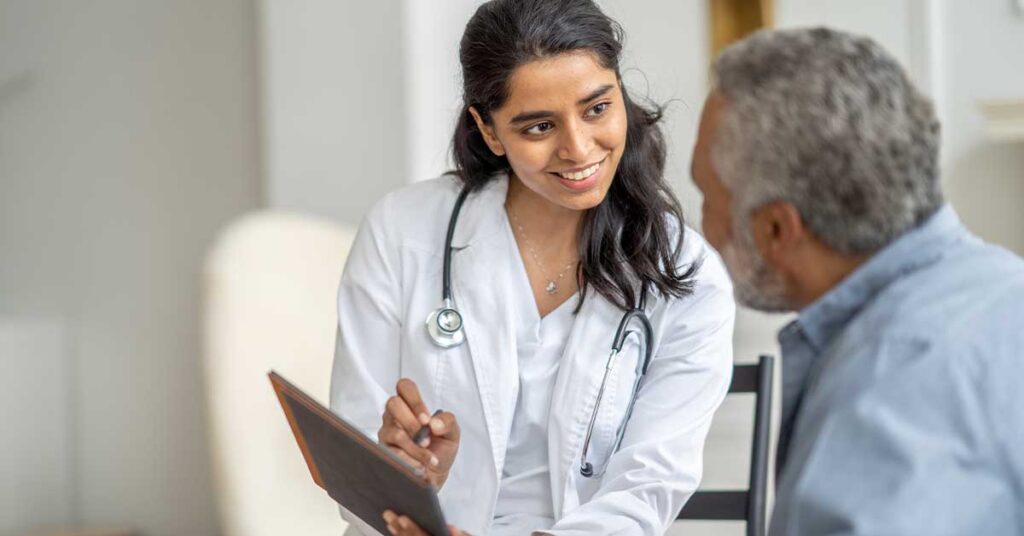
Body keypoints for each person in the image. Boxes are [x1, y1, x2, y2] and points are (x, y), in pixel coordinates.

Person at [330, 0, 736, 534]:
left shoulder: (687, 274)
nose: (578, 148)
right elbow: (355, 464)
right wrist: (411, 474)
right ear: (490, 130)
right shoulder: (402, 231)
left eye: (596, 109)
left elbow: (647, 489)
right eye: (539, 127)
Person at [690, 27, 1024, 534]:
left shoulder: (882, 401)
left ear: (776, 228)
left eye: (707, 197)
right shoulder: (1004, 288)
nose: (703, 227)